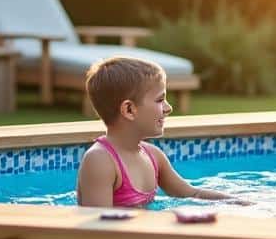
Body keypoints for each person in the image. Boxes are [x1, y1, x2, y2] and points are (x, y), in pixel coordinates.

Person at [77, 56, 237, 207]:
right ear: (129, 109)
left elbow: (192, 194)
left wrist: (240, 202)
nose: (169, 108)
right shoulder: (100, 161)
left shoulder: (153, 156)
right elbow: (99, 227)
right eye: (160, 100)